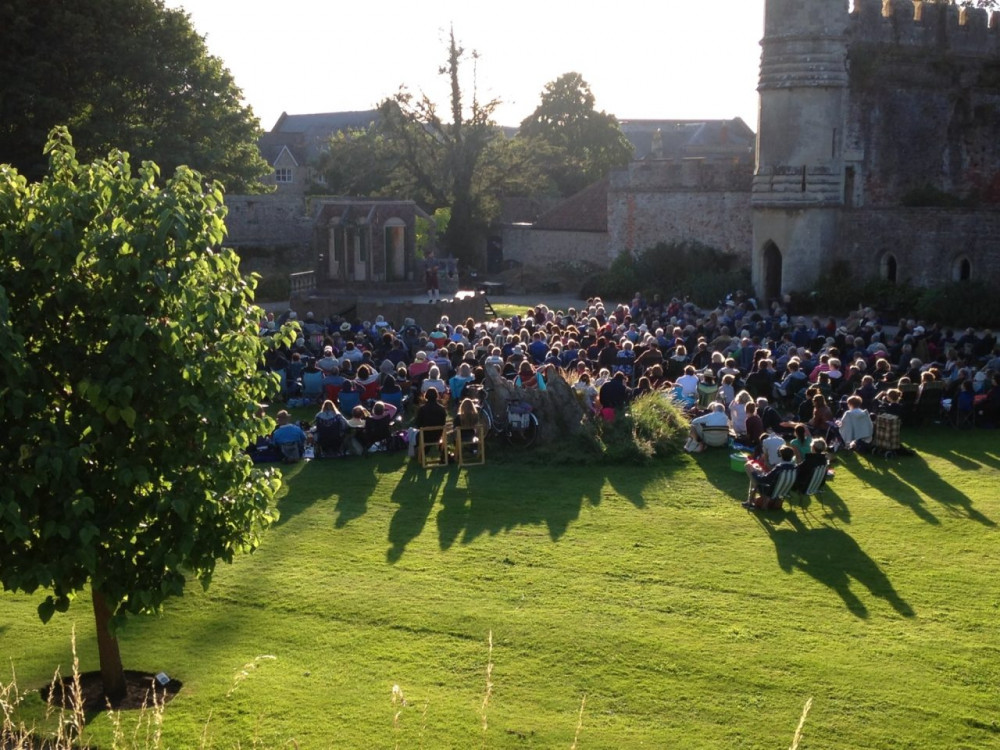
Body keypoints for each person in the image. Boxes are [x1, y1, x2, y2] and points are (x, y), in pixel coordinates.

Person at [743, 445, 798, 509]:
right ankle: (750, 501)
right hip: (783, 490)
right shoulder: (794, 467)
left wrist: (753, 471)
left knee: (748, 466)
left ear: (780, 455)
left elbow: (762, 480)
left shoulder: (779, 467)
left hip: (770, 490)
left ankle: (750, 502)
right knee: (758, 470)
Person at [410, 387, 448, 457]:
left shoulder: (422, 409)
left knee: (412, 432)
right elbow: (443, 423)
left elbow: (418, 424)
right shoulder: (442, 409)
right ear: (437, 396)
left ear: (426, 396)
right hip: (438, 435)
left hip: (425, 436)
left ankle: (415, 453)